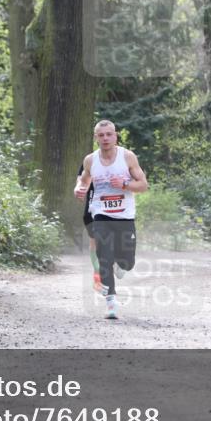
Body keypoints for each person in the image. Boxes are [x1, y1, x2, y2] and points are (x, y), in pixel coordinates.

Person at [73, 120, 149, 319]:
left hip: (124, 216)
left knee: (128, 262)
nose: (105, 138)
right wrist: (78, 189)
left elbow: (143, 185)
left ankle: (120, 264)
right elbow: (84, 180)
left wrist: (124, 184)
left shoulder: (127, 157)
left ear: (115, 136)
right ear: (96, 137)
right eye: (101, 135)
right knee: (104, 257)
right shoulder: (90, 160)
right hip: (101, 214)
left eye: (109, 134)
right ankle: (111, 303)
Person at [77, 163, 101, 291]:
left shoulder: (123, 159)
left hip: (115, 209)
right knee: (94, 242)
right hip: (93, 207)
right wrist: (79, 189)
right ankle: (98, 276)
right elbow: (80, 181)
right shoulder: (90, 161)